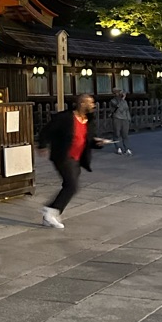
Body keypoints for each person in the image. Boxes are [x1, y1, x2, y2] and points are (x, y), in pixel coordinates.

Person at [37, 93, 109, 229]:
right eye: (91, 103)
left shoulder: (89, 121)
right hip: (63, 156)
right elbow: (47, 131)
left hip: (77, 159)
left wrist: (97, 142)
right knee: (72, 186)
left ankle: (51, 213)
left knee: (70, 186)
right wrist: (42, 145)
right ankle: (51, 211)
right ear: (82, 104)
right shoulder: (65, 118)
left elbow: (88, 139)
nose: (93, 106)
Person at [111, 90, 132, 155]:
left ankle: (127, 148)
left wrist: (129, 118)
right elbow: (118, 106)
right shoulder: (113, 101)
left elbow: (126, 110)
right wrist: (122, 99)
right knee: (117, 133)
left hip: (125, 119)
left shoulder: (125, 102)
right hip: (117, 118)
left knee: (125, 134)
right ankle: (118, 147)